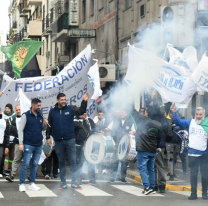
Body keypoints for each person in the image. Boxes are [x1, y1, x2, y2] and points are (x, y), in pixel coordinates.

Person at [46, 92, 90, 190]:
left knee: (73, 161)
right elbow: (49, 125)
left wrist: (84, 101)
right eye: (62, 100)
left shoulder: (71, 108)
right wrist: (47, 137)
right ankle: (63, 183)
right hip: (58, 141)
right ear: (57, 100)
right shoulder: (52, 111)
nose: (64, 101)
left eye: (65, 99)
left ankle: (74, 182)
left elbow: (81, 111)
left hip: (70, 139)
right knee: (61, 162)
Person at [170, 104, 208, 200]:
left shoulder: (207, 123)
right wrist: (174, 112)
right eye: (197, 114)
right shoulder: (190, 122)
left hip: (204, 153)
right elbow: (178, 122)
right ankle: (193, 193)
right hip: (192, 153)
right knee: (193, 174)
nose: (198, 116)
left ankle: (204, 193)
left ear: (204, 115)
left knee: (205, 174)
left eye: (200, 114)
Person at [18, 98, 48, 192]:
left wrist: (45, 124)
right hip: (28, 144)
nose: (39, 107)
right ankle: (22, 184)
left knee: (35, 164)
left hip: (38, 144)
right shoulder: (25, 115)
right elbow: (20, 130)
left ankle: (32, 183)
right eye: (38, 105)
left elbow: (43, 128)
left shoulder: (40, 115)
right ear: (33, 105)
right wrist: (21, 143)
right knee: (25, 164)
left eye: (40, 105)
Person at [135, 108, 161, 195]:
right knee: (151, 169)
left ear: (147, 114)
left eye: (145, 112)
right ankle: (152, 187)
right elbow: (159, 139)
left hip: (143, 148)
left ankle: (146, 187)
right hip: (153, 150)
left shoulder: (143, 120)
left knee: (142, 169)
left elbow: (133, 111)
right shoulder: (158, 124)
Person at [107, 110, 135, 183]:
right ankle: (112, 177)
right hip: (116, 144)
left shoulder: (130, 122)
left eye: (124, 113)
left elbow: (134, 131)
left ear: (127, 114)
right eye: (122, 113)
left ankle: (123, 178)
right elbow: (108, 128)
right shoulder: (115, 121)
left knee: (124, 162)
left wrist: (133, 132)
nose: (123, 114)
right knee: (114, 161)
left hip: (125, 146)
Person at [74, 112, 95, 185]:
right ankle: (78, 178)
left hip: (89, 144)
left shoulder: (89, 120)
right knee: (79, 162)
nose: (84, 114)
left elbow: (94, 130)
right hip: (78, 144)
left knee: (91, 161)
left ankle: (92, 179)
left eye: (85, 112)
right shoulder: (74, 121)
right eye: (82, 113)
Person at [6, 105, 22, 182]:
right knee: (16, 158)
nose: (18, 111)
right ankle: (12, 175)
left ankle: (30, 175)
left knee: (29, 160)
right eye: (17, 110)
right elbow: (12, 129)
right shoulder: (14, 120)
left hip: (28, 142)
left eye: (20, 109)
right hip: (18, 142)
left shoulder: (28, 118)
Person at [166, 111, 180, 181]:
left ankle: (172, 172)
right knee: (170, 158)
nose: (172, 115)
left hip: (177, 142)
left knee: (175, 158)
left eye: (173, 113)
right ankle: (171, 174)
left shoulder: (178, 121)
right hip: (169, 142)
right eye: (170, 113)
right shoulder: (167, 121)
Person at [3, 103, 17, 175]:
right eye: (6, 108)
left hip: (13, 138)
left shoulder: (15, 116)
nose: (6, 110)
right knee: (6, 154)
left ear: (11, 109)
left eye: (8, 108)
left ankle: (10, 168)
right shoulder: (3, 116)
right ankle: (5, 169)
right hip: (6, 138)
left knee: (12, 155)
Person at [0, 107, 10, 178]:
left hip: (1, 143)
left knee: (1, 158)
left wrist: (6, 146)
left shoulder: (5, 120)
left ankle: (0, 171)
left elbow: (7, 134)